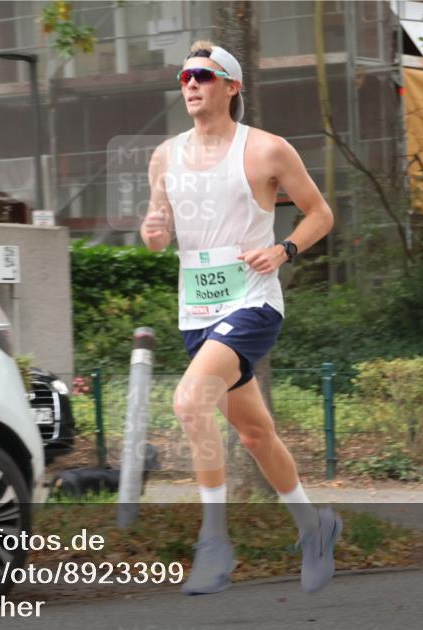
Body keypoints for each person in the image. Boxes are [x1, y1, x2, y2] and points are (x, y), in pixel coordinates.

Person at [139, 41, 342, 595]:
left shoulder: (267, 151)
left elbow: (321, 213)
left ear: (232, 86)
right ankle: (315, 526)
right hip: (196, 312)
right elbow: (156, 228)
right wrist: (154, 232)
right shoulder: (165, 156)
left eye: (203, 75)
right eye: (185, 76)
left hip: (252, 303)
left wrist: (283, 251)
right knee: (254, 434)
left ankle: (214, 544)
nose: (191, 84)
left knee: (188, 401)